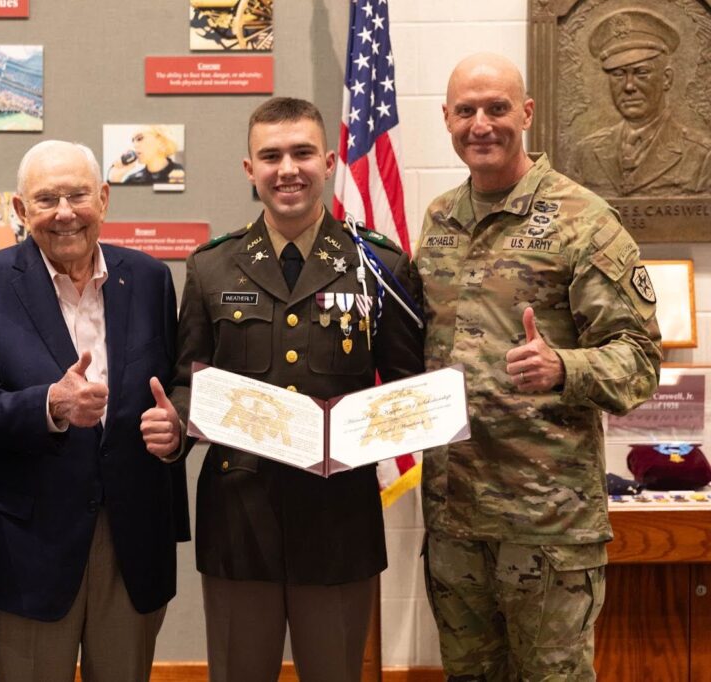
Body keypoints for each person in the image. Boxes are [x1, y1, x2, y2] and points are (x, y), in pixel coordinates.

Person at [416, 53, 662, 680]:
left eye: (497, 108)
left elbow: (639, 361)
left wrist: (564, 366)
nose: (481, 124)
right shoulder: (440, 220)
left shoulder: (584, 219)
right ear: (446, 118)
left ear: (525, 113)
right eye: (466, 111)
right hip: (454, 519)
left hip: (547, 525)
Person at [165, 97, 424, 682]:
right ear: (249, 168)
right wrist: (172, 428)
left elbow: (407, 386)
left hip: (339, 521)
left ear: (329, 161)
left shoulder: (378, 264)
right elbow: (187, 380)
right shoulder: (212, 267)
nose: (288, 169)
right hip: (238, 518)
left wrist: (380, 426)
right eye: (271, 155)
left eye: (303, 153)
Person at [0, 139, 189, 682]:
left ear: (103, 199)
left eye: (78, 195)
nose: (65, 213)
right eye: (46, 199)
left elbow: (179, 384)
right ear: (19, 210)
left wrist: (175, 429)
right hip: (28, 547)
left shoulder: (150, 279)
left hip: (133, 539)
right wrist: (49, 405)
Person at [569, 9, 711, 196]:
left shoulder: (701, 155)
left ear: (666, 79)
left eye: (641, 73)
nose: (628, 86)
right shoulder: (585, 153)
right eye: (618, 74)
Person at [106, 125, 184, 185]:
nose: (134, 145)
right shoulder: (132, 181)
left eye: (140, 139)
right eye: (133, 141)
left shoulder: (184, 174)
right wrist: (115, 180)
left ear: (161, 141)